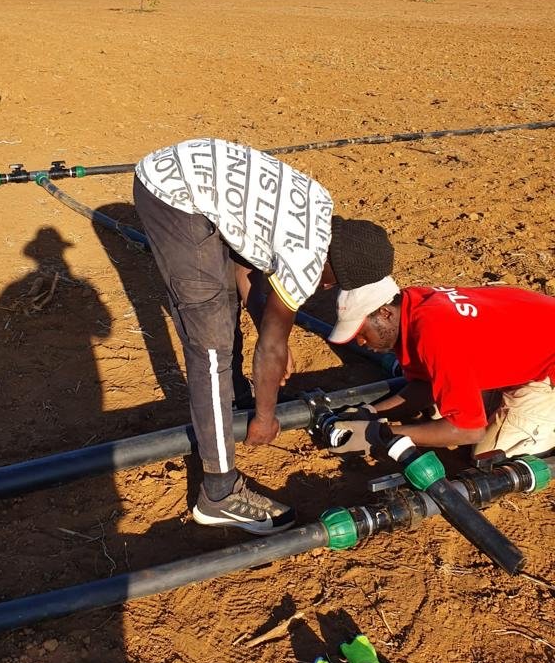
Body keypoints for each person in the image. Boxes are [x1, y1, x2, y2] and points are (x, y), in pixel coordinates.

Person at [133, 137, 395, 534]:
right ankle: (218, 494)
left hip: (187, 172)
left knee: (224, 307)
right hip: (173, 194)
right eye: (333, 282)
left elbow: (247, 261)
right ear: (332, 264)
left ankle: (234, 399)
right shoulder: (305, 260)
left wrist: (270, 335)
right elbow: (270, 346)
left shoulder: (319, 208)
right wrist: (266, 417)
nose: (325, 290)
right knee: (209, 341)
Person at [328, 279, 555, 457]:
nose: (360, 343)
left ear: (385, 313)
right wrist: (371, 414)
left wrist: (377, 434)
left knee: (489, 454)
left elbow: (468, 430)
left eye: (361, 332)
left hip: (548, 371)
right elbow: (427, 384)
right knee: (438, 413)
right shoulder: (413, 303)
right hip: (534, 348)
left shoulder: (436, 335)